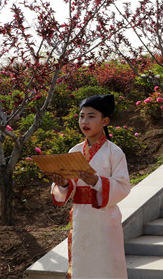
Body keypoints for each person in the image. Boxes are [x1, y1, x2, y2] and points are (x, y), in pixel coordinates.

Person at [50, 94, 131, 279]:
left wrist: (96, 182)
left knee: (106, 264)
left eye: (91, 116)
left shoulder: (114, 152)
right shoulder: (75, 151)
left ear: (105, 121)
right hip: (81, 216)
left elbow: (123, 185)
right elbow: (69, 186)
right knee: (82, 263)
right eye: (81, 116)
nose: (84, 121)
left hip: (105, 217)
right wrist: (62, 183)